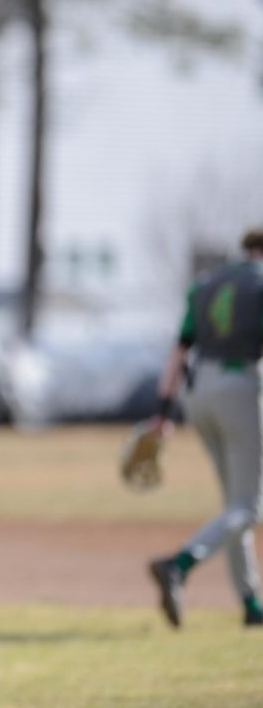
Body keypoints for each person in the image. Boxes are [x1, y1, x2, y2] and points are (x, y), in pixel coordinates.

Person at [148, 227, 263, 629]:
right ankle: (180, 563)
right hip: (242, 385)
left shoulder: (207, 283)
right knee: (247, 506)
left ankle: (250, 603)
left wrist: (162, 412)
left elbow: (179, 351)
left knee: (235, 504)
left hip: (198, 394)